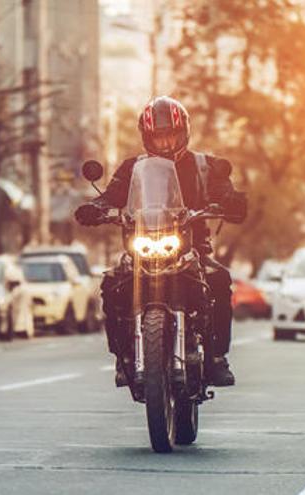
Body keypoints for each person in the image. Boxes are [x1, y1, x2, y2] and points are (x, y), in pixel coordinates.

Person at [74, 96, 247, 387]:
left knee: (218, 280)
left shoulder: (207, 166)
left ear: (184, 133)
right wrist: (97, 208)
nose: (166, 143)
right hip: (143, 246)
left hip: (192, 249)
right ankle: (124, 357)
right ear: (147, 137)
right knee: (113, 284)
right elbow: (111, 196)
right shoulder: (132, 168)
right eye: (159, 137)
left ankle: (217, 358)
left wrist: (230, 201)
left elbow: (224, 190)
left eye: (172, 135)